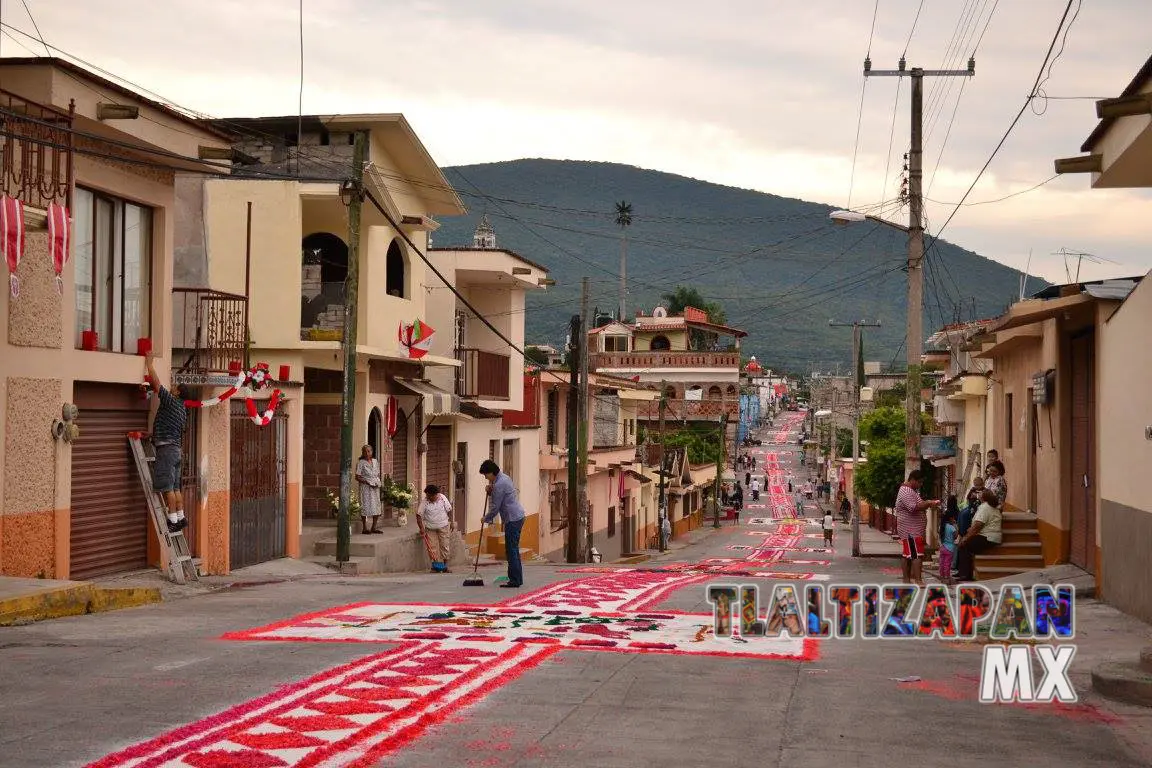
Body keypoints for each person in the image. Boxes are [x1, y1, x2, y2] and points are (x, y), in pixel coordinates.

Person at [144, 354, 190, 533]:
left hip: (167, 449)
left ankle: (171, 520)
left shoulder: (171, 401)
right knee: (176, 487)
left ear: (178, 392)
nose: (172, 387)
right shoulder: (183, 410)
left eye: (175, 387)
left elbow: (156, 384)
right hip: (177, 450)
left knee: (167, 487)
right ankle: (180, 517)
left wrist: (149, 364)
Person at [480, 459, 526, 588]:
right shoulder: (504, 478)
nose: (486, 478)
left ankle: (515, 580)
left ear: (491, 473)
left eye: (486, 475)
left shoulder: (499, 484)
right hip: (518, 516)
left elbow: (495, 506)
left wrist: (486, 518)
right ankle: (517, 578)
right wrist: (492, 489)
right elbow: (499, 494)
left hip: (512, 519)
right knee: (513, 549)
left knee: (511, 550)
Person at [894, 470, 941, 585]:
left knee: (908, 554)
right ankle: (918, 580)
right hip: (911, 530)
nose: (921, 485)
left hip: (912, 529)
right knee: (916, 555)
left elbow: (918, 505)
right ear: (913, 480)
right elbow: (914, 507)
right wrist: (929, 503)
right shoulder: (906, 491)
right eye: (919, 482)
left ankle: (907, 579)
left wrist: (928, 503)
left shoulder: (910, 491)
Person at [956, 489, 1003, 581]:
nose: (978, 495)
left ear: (983, 497)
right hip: (992, 536)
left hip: (988, 537)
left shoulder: (985, 507)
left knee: (963, 545)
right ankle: (962, 572)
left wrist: (965, 538)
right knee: (966, 543)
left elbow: (978, 525)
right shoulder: (992, 506)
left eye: (980, 493)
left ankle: (965, 575)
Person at [416, 484, 454, 571]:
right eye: (427, 495)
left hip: (443, 526)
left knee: (445, 545)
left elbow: (449, 510)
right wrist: (421, 528)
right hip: (430, 528)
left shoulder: (443, 498)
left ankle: (445, 566)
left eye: (429, 495)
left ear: (435, 495)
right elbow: (418, 515)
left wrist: (452, 522)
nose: (427, 497)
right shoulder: (425, 501)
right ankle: (435, 565)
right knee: (432, 547)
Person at [355, 445, 383, 534]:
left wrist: (377, 482)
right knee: (365, 506)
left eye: (369, 451)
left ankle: (374, 527)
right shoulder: (361, 463)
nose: (367, 453)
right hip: (366, 487)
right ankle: (364, 528)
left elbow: (377, 474)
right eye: (365, 451)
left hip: (375, 487)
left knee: (377, 506)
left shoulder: (375, 461)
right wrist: (367, 482)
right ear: (362, 453)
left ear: (372, 452)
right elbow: (357, 477)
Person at [938, 499, 959, 586]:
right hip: (950, 548)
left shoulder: (942, 526)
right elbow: (955, 536)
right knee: (947, 563)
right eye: (953, 518)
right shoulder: (952, 527)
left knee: (942, 562)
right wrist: (956, 525)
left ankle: (942, 576)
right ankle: (946, 577)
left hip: (943, 547)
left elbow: (939, 534)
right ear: (951, 518)